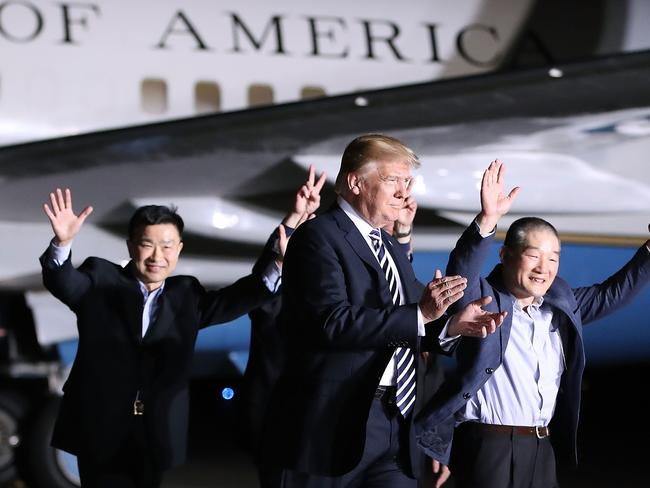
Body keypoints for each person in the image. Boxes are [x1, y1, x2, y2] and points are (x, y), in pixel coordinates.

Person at [262, 133, 506, 488]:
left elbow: (415, 317)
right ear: (355, 183)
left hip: (395, 423)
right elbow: (332, 322)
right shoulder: (317, 237)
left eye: (407, 182)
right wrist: (422, 314)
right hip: (331, 427)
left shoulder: (388, 245)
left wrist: (451, 325)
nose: (404, 193)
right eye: (393, 180)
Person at [415, 160, 650, 488]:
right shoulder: (483, 298)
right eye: (534, 255)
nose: (544, 267)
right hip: (488, 446)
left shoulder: (560, 304)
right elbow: (462, 271)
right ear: (505, 255)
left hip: (541, 446)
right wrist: (487, 220)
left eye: (553, 258)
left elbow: (612, 294)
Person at [40, 188, 284, 487]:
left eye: (167, 246)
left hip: (154, 431)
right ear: (131, 246)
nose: (158, 256)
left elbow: (243, 295)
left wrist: (282, 254)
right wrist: (62, 244)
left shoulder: (186, 294)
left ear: (179, 249)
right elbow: (65, 283)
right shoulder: (101, 279)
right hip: (99, 426)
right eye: (147, 245)